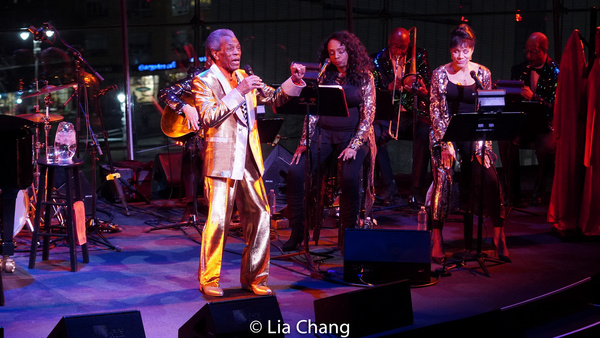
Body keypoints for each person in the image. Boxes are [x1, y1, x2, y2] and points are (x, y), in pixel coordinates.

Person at [191, 29, 306, 296]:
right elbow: (208, 117)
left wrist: (293, 81)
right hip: (221, 160)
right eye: (229, 48)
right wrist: (237, 92)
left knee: (261, 215)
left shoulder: (244, 76)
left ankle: (255, 277)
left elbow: (274, 97)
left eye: (238, 47)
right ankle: (209, 279)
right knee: (219, 220)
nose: (236, 52)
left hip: (249, 158)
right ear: (214, 54)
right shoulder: (203, 81)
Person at [282, 30, 376, 252]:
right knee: (296, 172)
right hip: (324, 133)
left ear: (350, 51)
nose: (337, 57)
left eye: (341, 51)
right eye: (332, 53)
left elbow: (368, 115)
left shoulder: (365, 77)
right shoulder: (326, 74)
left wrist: (354, 146)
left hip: (353, 137)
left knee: (349, 177)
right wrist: (305, 140)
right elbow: (314, 110)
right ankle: (298, 232)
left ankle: (346, 238)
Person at [429, 24, 509, 263]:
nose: (460, 56)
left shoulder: (482, 73)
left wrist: (483, 145)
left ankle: (498, 234)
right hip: (445, 134)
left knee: (489, 175)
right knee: (443, 176)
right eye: (456, 51)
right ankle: (436, 236)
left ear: (472, 50)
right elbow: (435, 112)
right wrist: (445, 143)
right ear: (450, 51)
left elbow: (488, 111)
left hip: (475, 134)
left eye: (465, 51)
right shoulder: (439, 74)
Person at [371, 27, 432, 206]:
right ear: (389, 43)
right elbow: (373, 88)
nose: (399, 51)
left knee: (424, 133)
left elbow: (428, 80)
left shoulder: (419, 55)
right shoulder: (377, 60)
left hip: (413, 112)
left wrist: (423, 89)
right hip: (389, 112)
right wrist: (389, 88)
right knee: (375, 136)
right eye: (396, 46)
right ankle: (389, 187)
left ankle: (416, 190)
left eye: (403, 47)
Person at [499, 32, 559, 205]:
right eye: (527, 51)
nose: (528, 56)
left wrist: (534, 98)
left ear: (545, 50)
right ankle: (512, 194)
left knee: (546, 147)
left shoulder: (557, 72)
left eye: (533, 52)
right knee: (505, 141)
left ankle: (539, 193)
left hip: (545, 126)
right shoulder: (519, 69)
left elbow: (556, 107)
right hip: (524, 125)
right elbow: (511, 101)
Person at [158, 65, 206, 222]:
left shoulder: (233, 78)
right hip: (199, 134)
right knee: (192, 152)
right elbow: (164, 93)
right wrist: (185, 107)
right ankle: (191, 206)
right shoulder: (200, 76)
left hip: (219, 132)